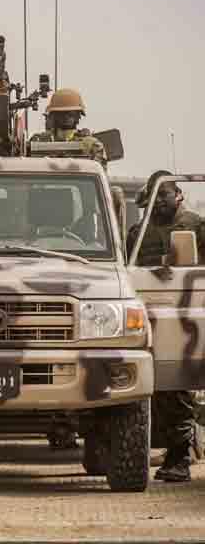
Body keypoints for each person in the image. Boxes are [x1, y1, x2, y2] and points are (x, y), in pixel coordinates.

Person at [127, 170, 203, 482]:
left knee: (177, 391)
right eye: (154, 198)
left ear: (179, 195)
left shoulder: (194, 226)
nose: (159, 203)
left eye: (164, 195)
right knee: (150, 392)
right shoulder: (138, 232)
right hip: (146, 314)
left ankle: (180, 458)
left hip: (186, 314)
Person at [30, 88, 107, 166]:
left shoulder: (91, 145)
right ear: (54, 116)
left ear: (79, 116)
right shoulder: (38, 141)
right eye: (62, 113)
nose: (67, 117)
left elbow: (99, 169)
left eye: (71, 114)